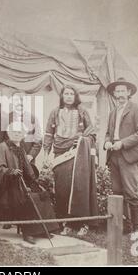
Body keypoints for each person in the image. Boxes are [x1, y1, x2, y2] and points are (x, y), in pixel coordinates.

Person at [0, 122, 59, 244]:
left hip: (20, 183)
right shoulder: (2, 147)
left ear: (23, 135)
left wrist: (34, 182)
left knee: (42, 195)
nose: (16, 134)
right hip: (6, 186)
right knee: (27, 198)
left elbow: (27, 168)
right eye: (14, 132)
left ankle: (43, 229)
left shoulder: (20, 148)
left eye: (19, 132)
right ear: (9, 133)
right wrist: (11, 172)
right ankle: (29, 232)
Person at [43, 85, 98, 236]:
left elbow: (91, 133)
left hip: (77, 153)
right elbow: (48, 133)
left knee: (79, 188)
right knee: (62, 189)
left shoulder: (82, 112)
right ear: (61, 96)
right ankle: (66, 223)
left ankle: (82, 223)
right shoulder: (55, 112)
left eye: (71, 94)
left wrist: (82, 140)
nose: (68, 96)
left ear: (75, 96)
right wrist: (47, 152)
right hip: (60, 153)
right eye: (65, 94)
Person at [104, 77, 138, 234]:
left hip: (128, 155)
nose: (120, 93)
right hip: (113, 155)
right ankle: (125, 225)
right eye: (118, 91)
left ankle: (137, 228)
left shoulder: (137, 109)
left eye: (123, 90)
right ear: (114, 93)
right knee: (117, 191)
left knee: (130, 192)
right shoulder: (112, 112)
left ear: (129, 92)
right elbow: (108, 133)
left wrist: (122, 143)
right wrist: (107, 142)